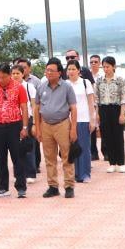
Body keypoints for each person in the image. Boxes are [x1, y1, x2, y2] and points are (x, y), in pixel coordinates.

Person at [33, 57, 78, 199]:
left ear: (59, 72)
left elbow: (73, 108)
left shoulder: (67, 87)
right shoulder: (41, 87)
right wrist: (38, 128)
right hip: (46, 125)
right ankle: (52, 186)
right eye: (47, 70)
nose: (49, 73)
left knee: (67, 156)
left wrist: (73, 129)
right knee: (49, 158)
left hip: (63, 124)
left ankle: (69, 186)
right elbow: (36, 108)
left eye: (52, 71)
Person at [0, 63, 29, 198]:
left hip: (15, 126)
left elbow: (24, 108)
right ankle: (3, 187)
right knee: (0, 159)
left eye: (3, 77)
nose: (0, 80)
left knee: (18, 158)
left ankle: (21, 187)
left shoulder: (19, 87)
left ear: (9, 75)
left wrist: (25, 127)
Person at [96, 56, 125, 172]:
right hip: (104, 109)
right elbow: (97, 99)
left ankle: (121, 163)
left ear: (114, 66)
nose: (105, 69)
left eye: (108, 66)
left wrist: (122, 114)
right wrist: (97, 114)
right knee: (107, 137)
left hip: (116, 109)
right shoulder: (99, 80)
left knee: (118, 136)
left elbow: (123, 98)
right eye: (104, 67)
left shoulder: (120, 80)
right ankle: (112, 162)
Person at [66, 60, 96, 183]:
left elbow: (91, 102)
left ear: (79, 70)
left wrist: (92, 120)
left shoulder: (85, 82)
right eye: (69, 69)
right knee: (72, 147)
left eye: (73, 69)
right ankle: (75, 174)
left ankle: (85, 174)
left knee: (84, 147)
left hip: (83, 119)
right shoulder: (65, 84)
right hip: (68, 120)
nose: (71, 71)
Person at [11, 65, 37, 184]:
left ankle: (31, 173)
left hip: (28, 119)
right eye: (13, 73)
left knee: (28, 147)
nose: (15, 75)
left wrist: (35, 122)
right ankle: (18, 173)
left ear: (23, 74)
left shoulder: (29, 86)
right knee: (16, 148)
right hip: (14, 120)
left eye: (18, 73)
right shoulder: (9, 87)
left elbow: (34, 105)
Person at [88, 54, 104, 161]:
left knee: (104, 128)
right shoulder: (86, 76)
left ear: (100, 63)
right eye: (91, 62)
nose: (93, 64)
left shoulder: (102, 77)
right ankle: (93, 153)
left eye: (95, 62)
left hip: (101, 105)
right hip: (91, 106)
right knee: (92, 130)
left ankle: (106, 151)